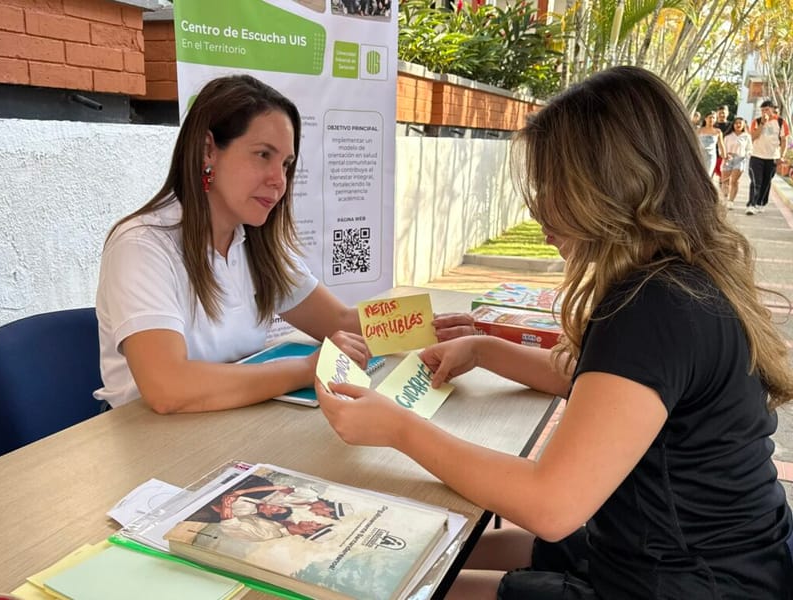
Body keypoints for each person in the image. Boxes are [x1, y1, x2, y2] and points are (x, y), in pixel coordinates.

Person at [315, 66, 793, 599]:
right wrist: (481, 346)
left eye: (556, 186)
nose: (541, 208)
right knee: (422, 546)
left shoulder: (653, 308)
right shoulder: (681, 283)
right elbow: (597, 388)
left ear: (611, 187)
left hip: (692, 581)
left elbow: (551, 505)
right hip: (686, 554)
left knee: (403, 580)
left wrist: (399, 428)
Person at [95, 75, 372, 413]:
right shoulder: (141, 245)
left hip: (231, 427)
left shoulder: (254, 241)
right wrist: (306, 369)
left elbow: (341, 321)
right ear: (208, 150)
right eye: (262, 155)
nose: (279, 181)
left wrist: (433, 327)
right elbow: (167, 387)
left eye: (285, 164)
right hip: (149, 446)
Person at [747, 99, 790, 214]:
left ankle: (761, 203)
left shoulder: (781, 122)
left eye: (766, 110)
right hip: (756, 156)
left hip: (772, 158)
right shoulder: (756, 121)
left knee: (766, 182)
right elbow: (753, 137)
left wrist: (782, 156)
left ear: (772, 110)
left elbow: (784, 141)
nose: (764, 112)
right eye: (762, 110)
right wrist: (762, 123)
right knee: (756, 181)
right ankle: (751, 204)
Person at [720, 117, 753, 210]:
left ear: (743, 125)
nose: (738, 125)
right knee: (725, 181)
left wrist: (746, 155)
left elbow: (750, 149)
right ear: (733, 125)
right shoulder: (727, 136)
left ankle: (731, 201)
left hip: (740, 159)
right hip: (728, 159)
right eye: (736, 123)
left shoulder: (746, 136)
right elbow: (721, 148)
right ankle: (724, 199)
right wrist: (724, 155)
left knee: (734, 181)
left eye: (740, 123)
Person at [697, 111, 726, 178]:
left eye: (713, 118)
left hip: (711, 156)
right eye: (710, 117)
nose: (711, 119)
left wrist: (724, 156)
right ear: (706, 118)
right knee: (698, 175)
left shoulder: (718, 131)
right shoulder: (699, 130)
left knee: (707, 175)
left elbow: (721, 144)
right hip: (699, 155)